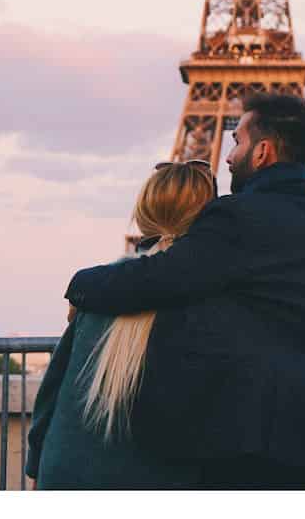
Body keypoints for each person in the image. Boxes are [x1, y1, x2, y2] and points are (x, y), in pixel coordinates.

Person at [61, 93, 305, 489]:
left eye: (236, 141)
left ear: (262, 152)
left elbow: (158, 278)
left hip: (244, 442)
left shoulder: (235, 217)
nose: (227, 156)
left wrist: (80, 284)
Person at [25, 161, 219, 488]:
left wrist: (36, 466)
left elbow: (52, 390)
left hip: (66, 469)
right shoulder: (209, 300)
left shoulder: (97, 290)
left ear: (143, 214)